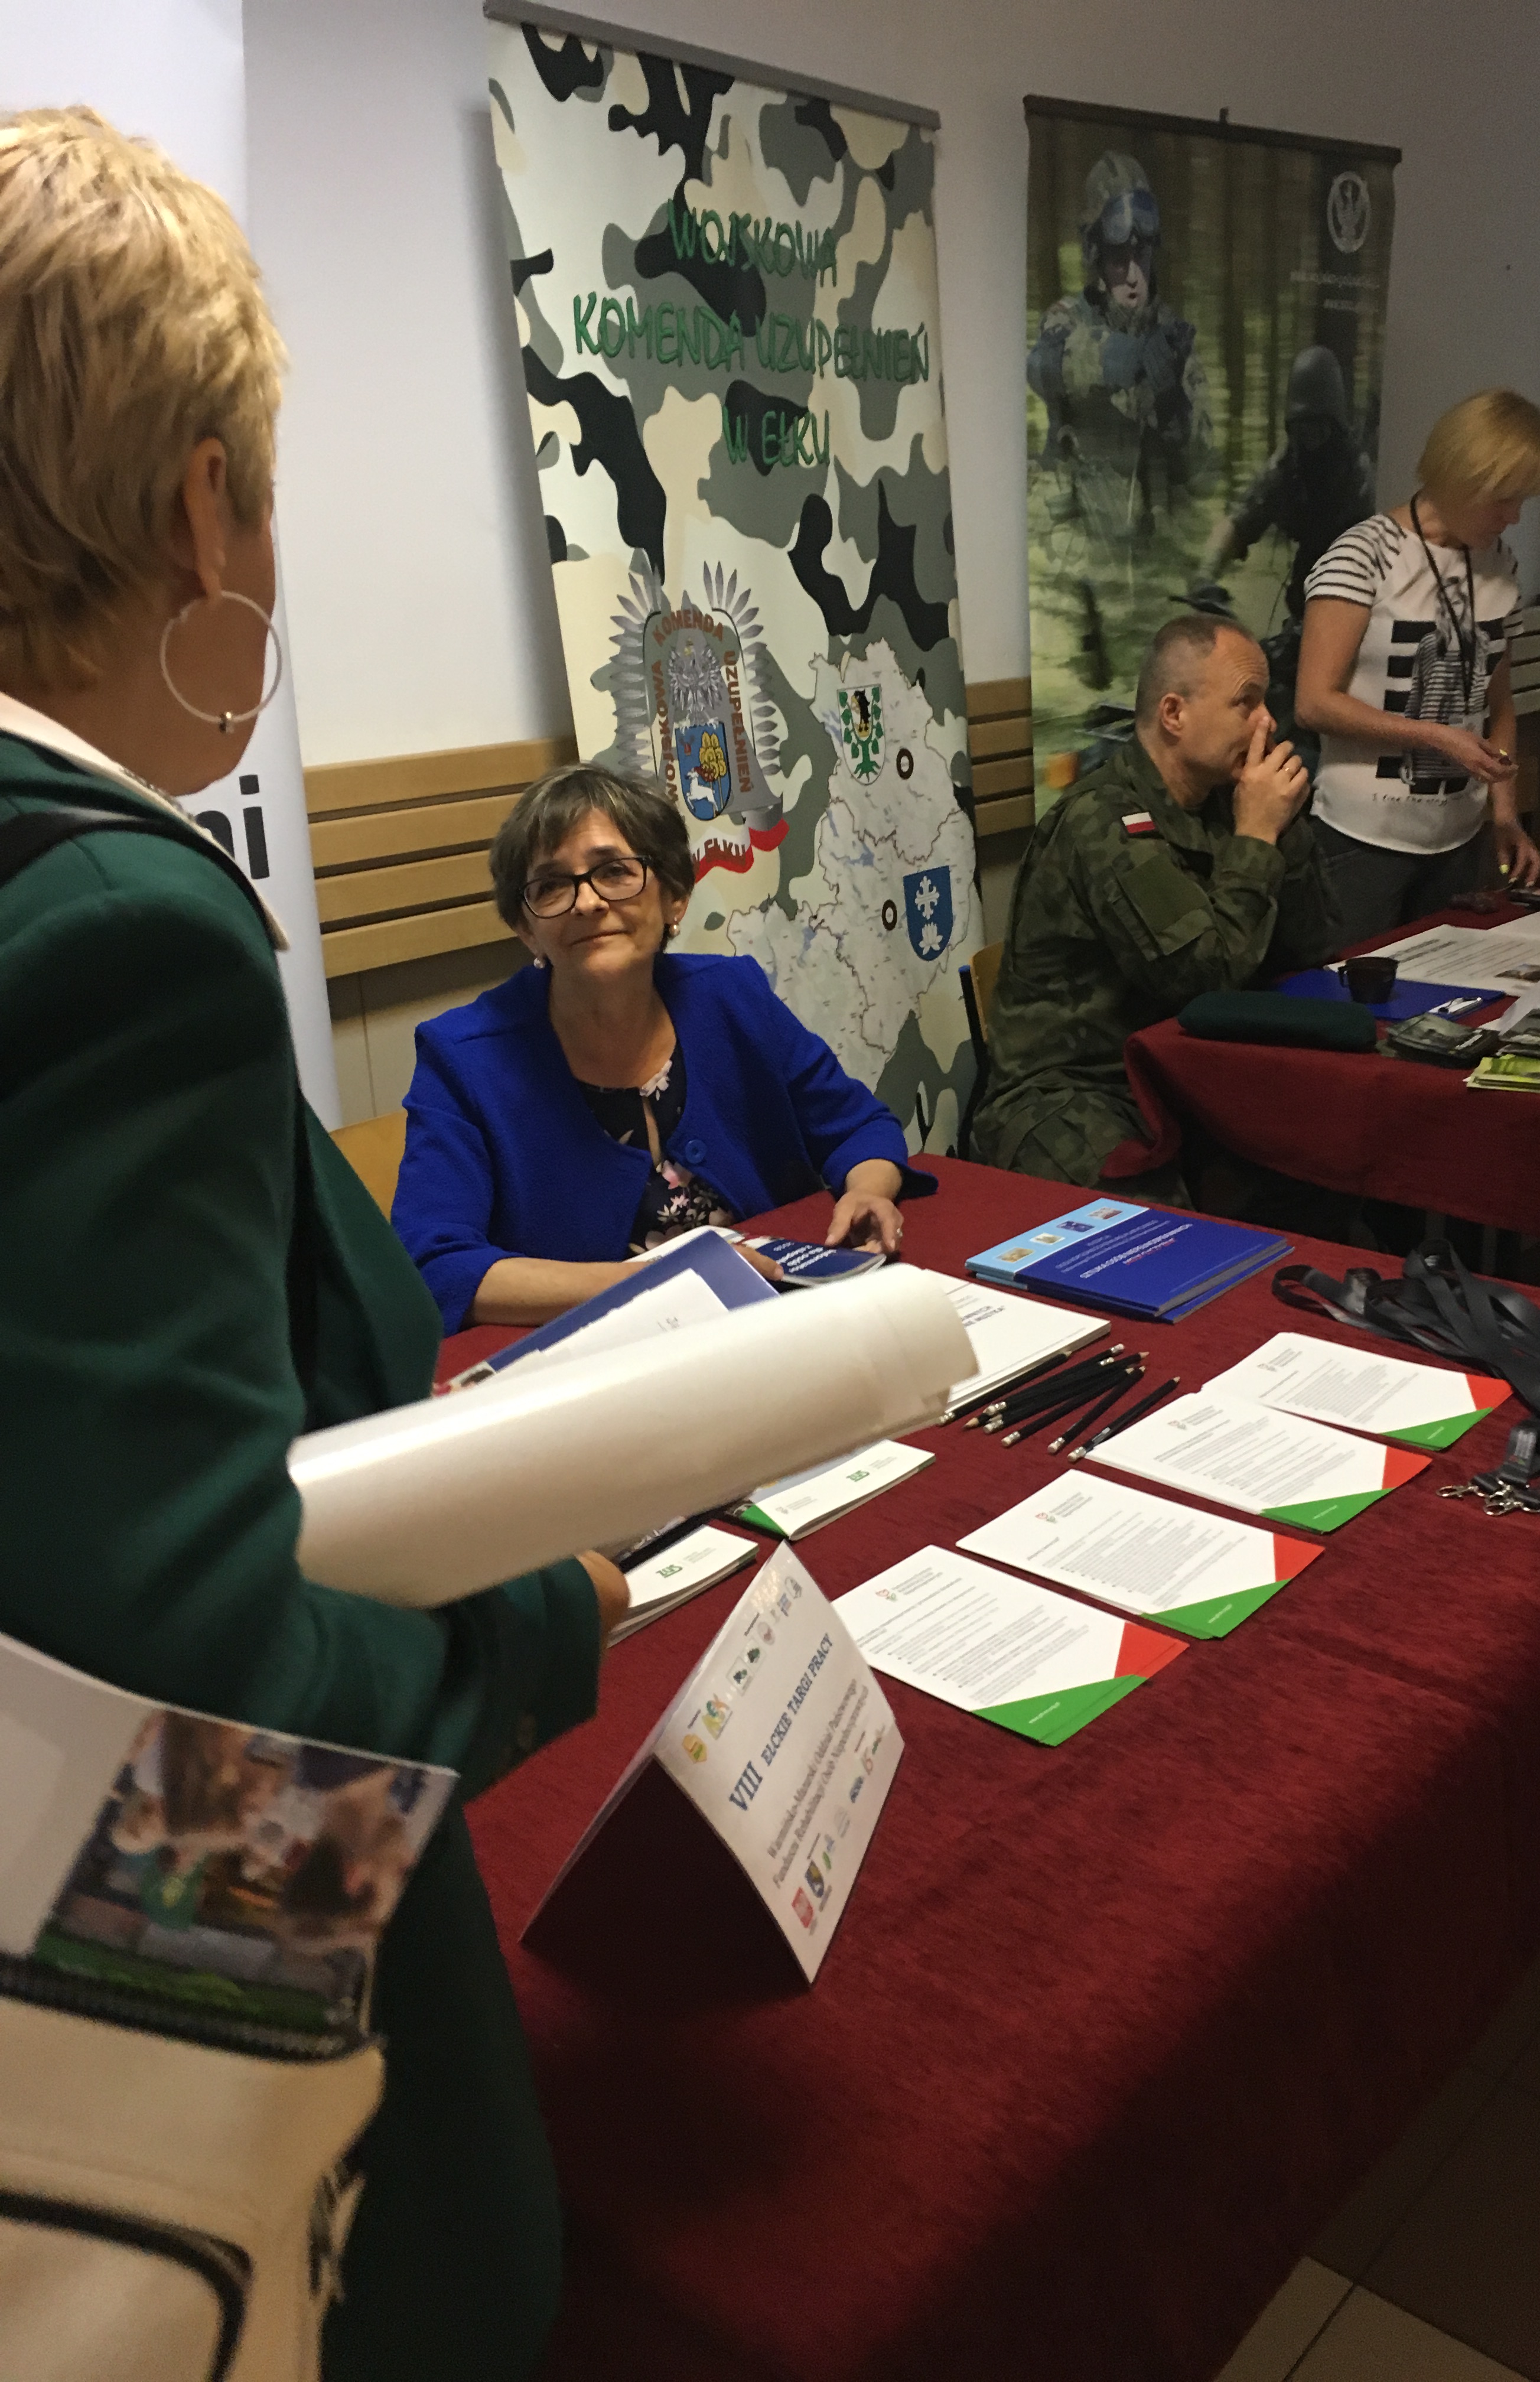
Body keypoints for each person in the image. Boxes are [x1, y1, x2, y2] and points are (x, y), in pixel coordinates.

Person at [0, 109, 627, 2381]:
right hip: (158, 2053)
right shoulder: (112, 921)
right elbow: (200, 1707)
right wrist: (535, 1631)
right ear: (202, 506)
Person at [392, 765, 928, 1332]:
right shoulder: (463, 1057)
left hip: (777, 1324)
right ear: (527, 929)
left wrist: (869, 1190)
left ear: (675, 897)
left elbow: (856, 1126)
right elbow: (433, 1267)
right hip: (596, 1351)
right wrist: (659, 1283)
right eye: (551, 885)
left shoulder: (732, 996)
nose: (586, 902)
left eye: (614, 872)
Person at [972, 613, 1335, 1193]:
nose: (1268, 721)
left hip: (1183, 1072)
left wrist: (1282, 829)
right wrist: (1256, 837)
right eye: (1246, 702)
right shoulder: (1104, 821)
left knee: (1321, 1173)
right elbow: (1204, 978)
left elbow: (1310, 948)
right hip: (1074, 1095)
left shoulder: (1226, 803)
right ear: (1174, 714)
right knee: (1157, 1230)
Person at [1295, 388, 1540, 944]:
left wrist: (1504, 814)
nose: (1514, 517)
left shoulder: (1500, 562)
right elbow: (1314, 703)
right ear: (1462, 478)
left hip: (1458, 840)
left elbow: (1499, 705)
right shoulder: (1365, 553)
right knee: (1351, 982)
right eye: (1504, 499)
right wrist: (1437, 738)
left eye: (1522, 500)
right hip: (1361, 838)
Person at [1199, 345, 1376, 770]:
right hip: (1307, 611)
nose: (1310, 438)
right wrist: (1205, 575)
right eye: (1302, 427)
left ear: (1335, 425)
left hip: (1353, 620)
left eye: (1318, 427)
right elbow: (1242, 518)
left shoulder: (1358, 476)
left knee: (1309, 722)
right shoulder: (1289, 467)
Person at [1027, 151, 1213, 546]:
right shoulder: (1068, 319)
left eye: (1141, 256)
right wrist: (1123, 358)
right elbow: (1042, 366)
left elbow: (1200, 471)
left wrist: (1174, 405)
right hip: (1077, 545)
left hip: (1148, 553)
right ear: (1097, 259)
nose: (1133, 276)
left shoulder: (1171, 338)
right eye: (1118, 260)